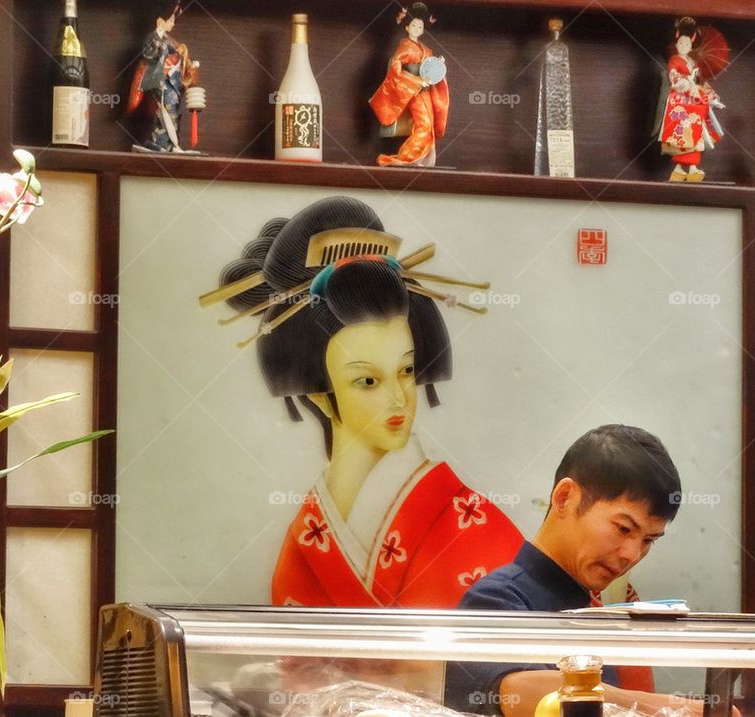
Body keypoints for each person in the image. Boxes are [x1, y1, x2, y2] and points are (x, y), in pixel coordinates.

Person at [210, 195, 524, 610]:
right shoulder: (306, 543)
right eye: (367, 380)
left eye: (407, 371)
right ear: (319, 394)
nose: (399, 398)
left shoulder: (476, 529)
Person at [444, 424, 708, 717]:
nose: (632, 555)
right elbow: (514, 691)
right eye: (623, 528)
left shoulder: (590, 609)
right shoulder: (496, 598)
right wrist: (660, 706)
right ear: (564, 498)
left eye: (648, 541)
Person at [369, 3, 449, 167]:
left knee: (428, 125)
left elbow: (429, 69)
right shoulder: (405, 47)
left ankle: (421, 159)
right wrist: (418, 81)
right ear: (407, 27)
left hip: (425, 90)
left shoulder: (426, 49)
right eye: (414, 25)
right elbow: (395, 71)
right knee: (423, 124)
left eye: (420, 26)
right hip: (413, 90)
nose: (417, 28)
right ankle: (407, 158)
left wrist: (437, 65)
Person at [126, 1, 200, 153]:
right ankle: (161, 143)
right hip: (162, 81)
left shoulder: (172, 42)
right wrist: (158, 33)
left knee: (173, 111)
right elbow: (149, 54)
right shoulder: (155, 37)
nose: (173, 23)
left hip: (174, 82)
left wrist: (191, 66)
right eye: (171, 19)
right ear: (160, 19)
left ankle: (172, 144)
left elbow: (181, 59)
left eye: (174, 20)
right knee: (164, 111)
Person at [657, 17, 724, 182]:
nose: (683, 46)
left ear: (692, 44)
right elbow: (673, 77)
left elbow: (700, 82)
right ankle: (684, 168)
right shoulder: (674, 61)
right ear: (676, 43)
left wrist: (711, 96)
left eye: (687, 44)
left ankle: (685, 169)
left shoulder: (693, 62)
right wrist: (686, 83)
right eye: (681, 43)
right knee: (683, 133)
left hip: (694, 101)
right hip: (680, 101)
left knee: (696, 132)